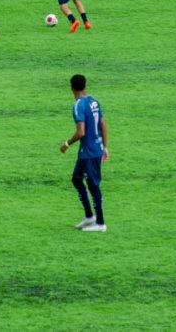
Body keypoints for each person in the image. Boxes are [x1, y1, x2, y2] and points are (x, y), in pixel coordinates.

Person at [59, 73, 108, 233]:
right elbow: (103, 124)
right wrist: (105, 147)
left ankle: (100, 223)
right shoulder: (94, 101)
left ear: (71, 88)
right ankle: (89, 216)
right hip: (93, 150)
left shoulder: (78, 105)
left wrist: (66, 144)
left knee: (93, 185)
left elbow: (81, 132)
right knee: (76, 179)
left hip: (89, 153)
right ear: (85, 85)